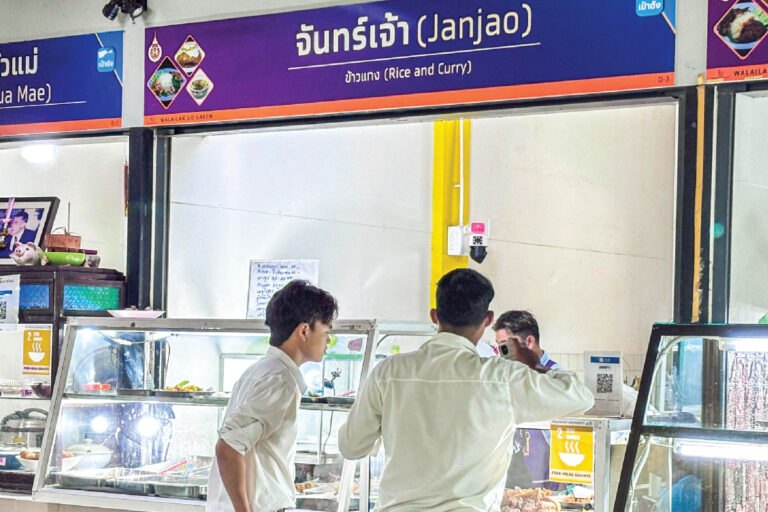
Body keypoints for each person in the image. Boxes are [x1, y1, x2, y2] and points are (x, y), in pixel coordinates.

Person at [338, 268, 594, 511]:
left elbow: (350, 446)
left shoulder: (388, 372)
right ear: (488, 319)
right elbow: (581, 397)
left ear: (434, 316)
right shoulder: (500, 377)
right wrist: (533, 363)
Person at [206, 280, 338, 512]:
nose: (328, 340)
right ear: (304, 330)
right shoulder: (280, 380)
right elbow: (228, 448)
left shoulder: (262, 370)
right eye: (326, 332)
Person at [493, 310, 561, 369]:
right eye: (498, 346)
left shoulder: (553, 376)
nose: (501, 355)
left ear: (530, 342)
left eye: (504, 347)